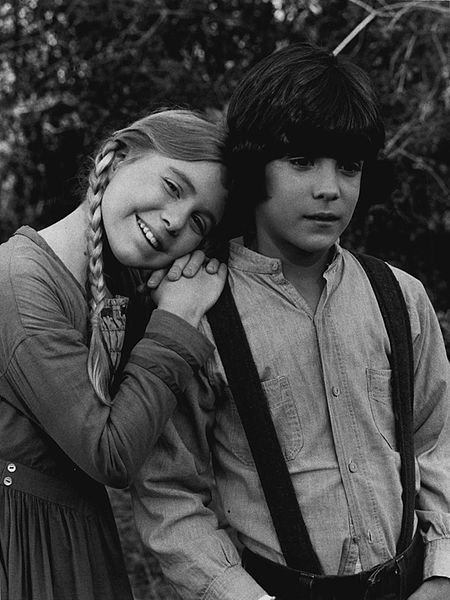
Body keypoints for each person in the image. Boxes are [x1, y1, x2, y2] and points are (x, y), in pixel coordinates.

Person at [132, 45, 450, 600]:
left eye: (348, 166)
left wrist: (441, 575)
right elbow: (169, 492)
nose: (329, 187)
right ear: (255, 167)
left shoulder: (400, 298)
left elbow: (437, 445)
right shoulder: (201, 310)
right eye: (302, 162)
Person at [0, 108, 228, 600]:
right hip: (26, 554)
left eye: (198, 221)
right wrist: (179, 317)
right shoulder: (20, 284)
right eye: (173, 187)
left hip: (78, 545)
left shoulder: (116, 294)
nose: (174, 222)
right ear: (117, 156)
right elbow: (110, 453)